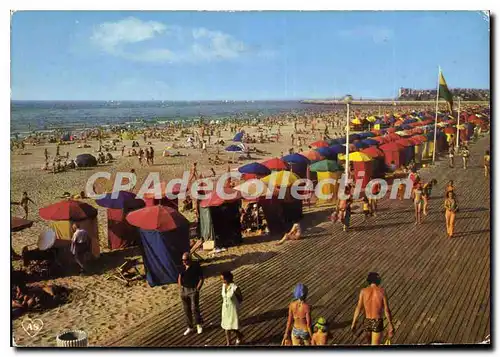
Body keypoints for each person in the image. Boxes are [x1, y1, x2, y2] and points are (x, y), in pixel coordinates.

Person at [351, 272, 394, 345]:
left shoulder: (363, 291)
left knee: (369, 344)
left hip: (367, 320)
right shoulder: (382, 291)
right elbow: (386, 310)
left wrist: (353, 323)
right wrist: (390, 324)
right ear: (378, 280)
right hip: (377, 321)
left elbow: (358, 308)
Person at [178, 252, 204, 336]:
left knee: (194, 308)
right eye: (183, 260)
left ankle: (199, 325)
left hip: (193, 289)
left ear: (190, 259)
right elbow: (179, 277)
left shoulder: (196, 266)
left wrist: (197, 289)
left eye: (185, 260)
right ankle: (190, 327)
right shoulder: (182, 267)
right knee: (186, 309)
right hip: (184, 290)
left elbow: (201, 278)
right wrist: (180, 287)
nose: (184, 262)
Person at [220, 271, 244, 345]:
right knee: (226, 326)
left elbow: (240, 298)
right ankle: (228, 343)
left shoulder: (235, 288)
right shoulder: (223, 286)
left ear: (228, 278)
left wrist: (235, 305)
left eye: (223, 279)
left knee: (233, 326)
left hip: (233, 309)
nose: (222, 281)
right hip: (225, 308)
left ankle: (239, 336)